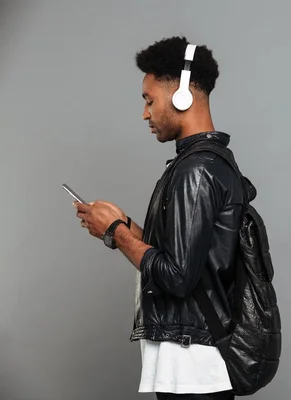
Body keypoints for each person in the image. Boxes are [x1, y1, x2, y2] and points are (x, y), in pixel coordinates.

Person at [74, 36, 246, 400]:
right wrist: (121, 226)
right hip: (191, 362)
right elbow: (186, 257)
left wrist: (117, 232)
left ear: (182, 94)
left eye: (149, 100)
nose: (145, 113)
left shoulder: (196, 170)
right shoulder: (200, 163)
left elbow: (178, 278)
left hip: (194, 368)